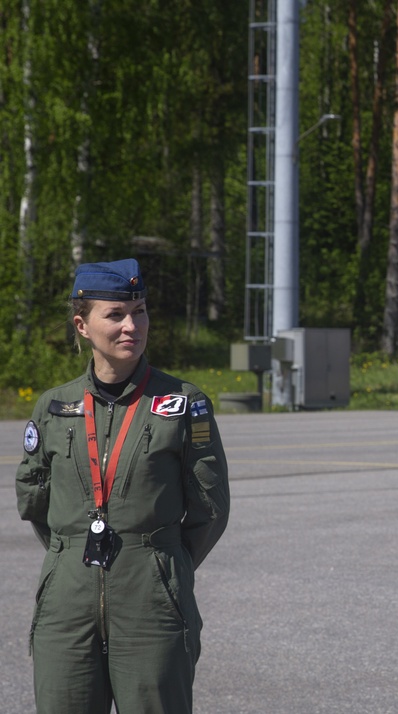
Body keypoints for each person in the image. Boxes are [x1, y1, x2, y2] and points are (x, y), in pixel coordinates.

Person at [16, 258, 230, 714]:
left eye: (140, 310)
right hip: (66, 604)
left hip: (152, 602)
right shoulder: (53, 407)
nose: (132, 325)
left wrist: (159, 560)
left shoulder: (182, 403)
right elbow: (36, 504)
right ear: (83, 325)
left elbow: (210, 508)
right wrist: (70, 550)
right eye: (115, 315)